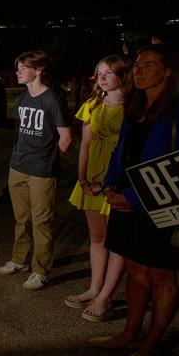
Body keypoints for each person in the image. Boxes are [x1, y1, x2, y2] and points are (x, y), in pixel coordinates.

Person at [89, 45, 179, 356]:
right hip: (125, 200)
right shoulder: (137, 104)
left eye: (147, 65)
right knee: (135, 270)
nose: (137, 71)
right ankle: (131, 333)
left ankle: (151, 346)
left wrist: (135, 198)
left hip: (161, 204)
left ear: (169, 70)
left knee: (160, 274)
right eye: (137, 65)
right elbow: (122, 150)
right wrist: (111, 186)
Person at [0, 51, 72, 290]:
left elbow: (66, 138)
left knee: (41, 221)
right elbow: (20, 133)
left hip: (41, 171)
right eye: (17, 67)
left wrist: (48, 161)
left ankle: (41, 270)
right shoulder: (21, 99)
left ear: (38, 70)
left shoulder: (52, 98)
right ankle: (19, 260)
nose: (17, 71)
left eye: (22, 67)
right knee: (22, 219)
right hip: (17, 167)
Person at [63, 56, 128, 321]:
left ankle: (106, 297)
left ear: (123, 76)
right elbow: (86, 146)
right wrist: (82, 179)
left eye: (109, 73)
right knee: (97, 236)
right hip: (93, 176)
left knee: (119, 239)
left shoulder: (134, 107)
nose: (101, 78)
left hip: (119, 175)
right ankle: (94, 288)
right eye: (99, 73)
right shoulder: (92, 105)